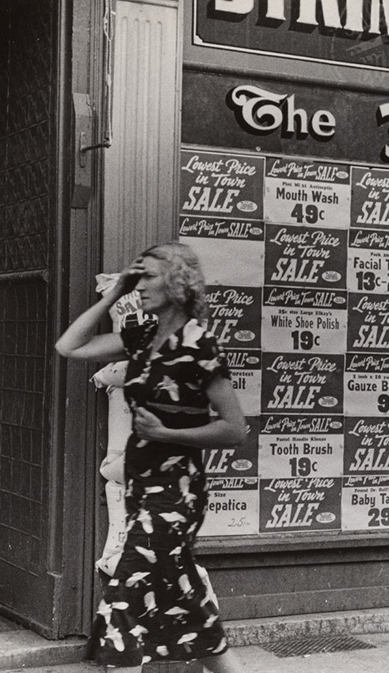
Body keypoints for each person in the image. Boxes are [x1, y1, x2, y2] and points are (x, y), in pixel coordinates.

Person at [55, 242, 247, 673]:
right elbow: (69, 346)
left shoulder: (201, 346)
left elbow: (235, 428)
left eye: (149, 277)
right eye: (136, 278)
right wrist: (113, 292)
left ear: (177, 284)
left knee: (124, 597)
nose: (139, 286)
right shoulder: (141, 336)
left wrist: (167, 432)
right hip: (143, 489)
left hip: (176, 494)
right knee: (190, 609)